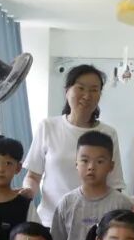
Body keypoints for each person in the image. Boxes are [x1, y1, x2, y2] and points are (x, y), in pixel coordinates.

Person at [22, 64, 125, 228]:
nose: (87, 95)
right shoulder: (48, 127)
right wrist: (28, 191)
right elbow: (33, 176)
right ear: (67, 91)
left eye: (94, 90)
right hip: (50, 222)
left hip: (93, 225)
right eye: (81, 88)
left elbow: (115, 184)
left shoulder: (108, 133)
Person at [51, 130, 134, 240]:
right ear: (76, 163)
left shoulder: (122, 204)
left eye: (100, 161)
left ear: (111, 166)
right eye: (84, 160)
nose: (91, 167)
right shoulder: (66, 203)